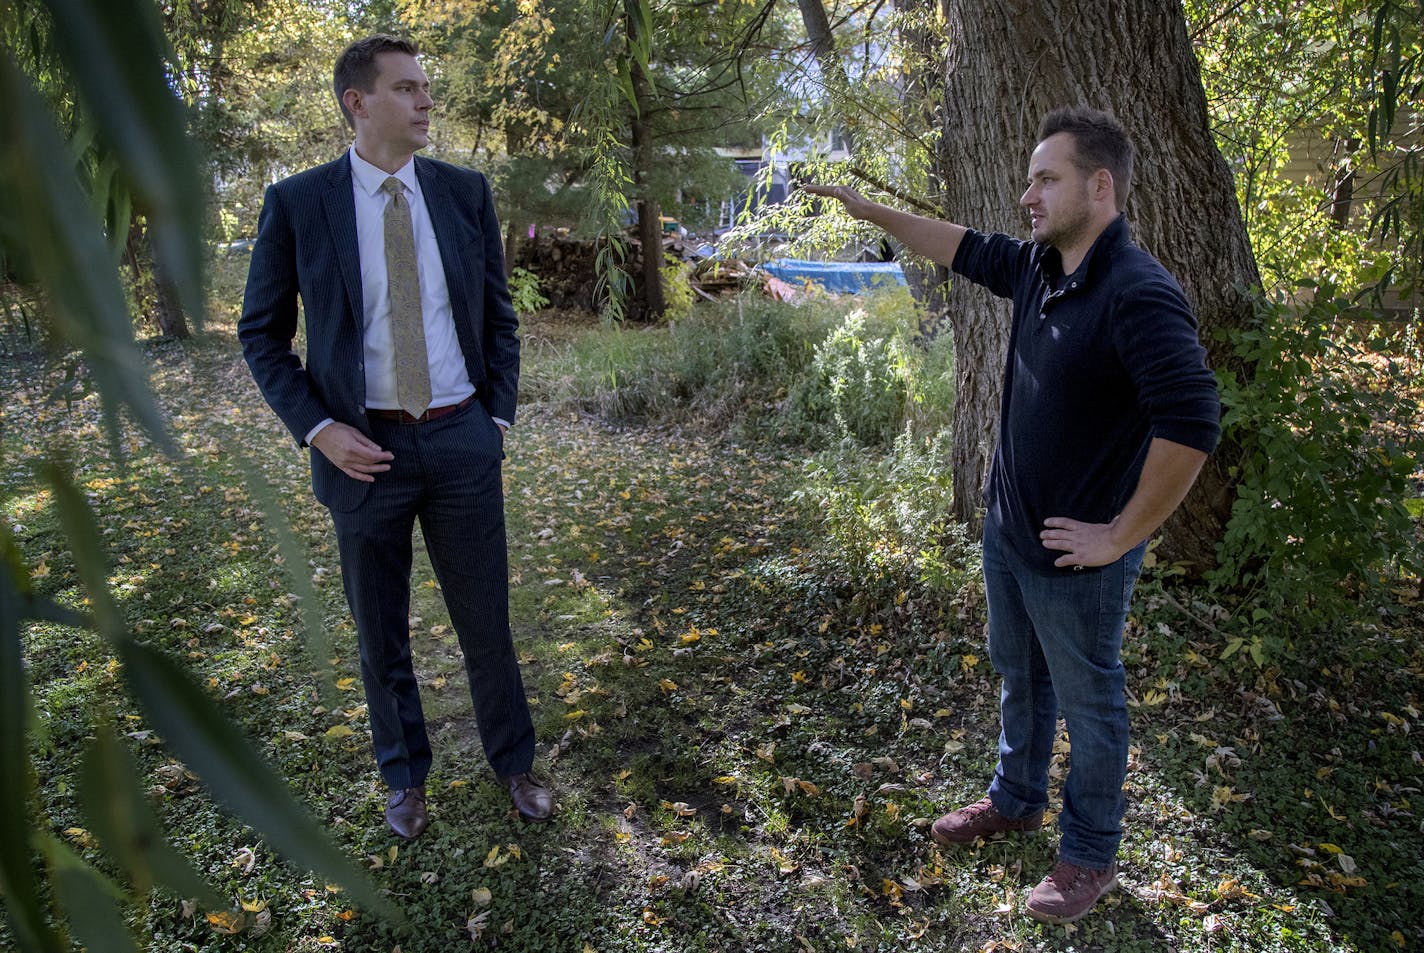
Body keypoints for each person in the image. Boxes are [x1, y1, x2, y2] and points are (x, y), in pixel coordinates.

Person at [805, 106, 1220, 924]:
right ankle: (1016, 799)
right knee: (1019, 677)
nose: (1027, 194)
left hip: (1078, 556)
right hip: (1011, 533)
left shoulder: (1138, 292)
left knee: (1091, 702)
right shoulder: (1039, 265)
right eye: (1028, 178)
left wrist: (1118, 535)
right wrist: (869, 211)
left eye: (1045, 178)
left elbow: (1193, 420)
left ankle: (1089, 854)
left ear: (1100, 187)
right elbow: (956, 243)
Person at [239, 34, 552, 839]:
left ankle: (514, 763)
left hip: (460, 441)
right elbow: (261, 334)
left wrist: (497, 420)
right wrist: (317, 428)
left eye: (426, 87)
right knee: (381, 630)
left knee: (487, 619)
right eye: (408, 88)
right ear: (358, 102)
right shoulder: (299, 203)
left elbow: (497, 315)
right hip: (362, 450)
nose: (425, 101)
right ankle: (404, 777)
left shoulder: (462, 192)